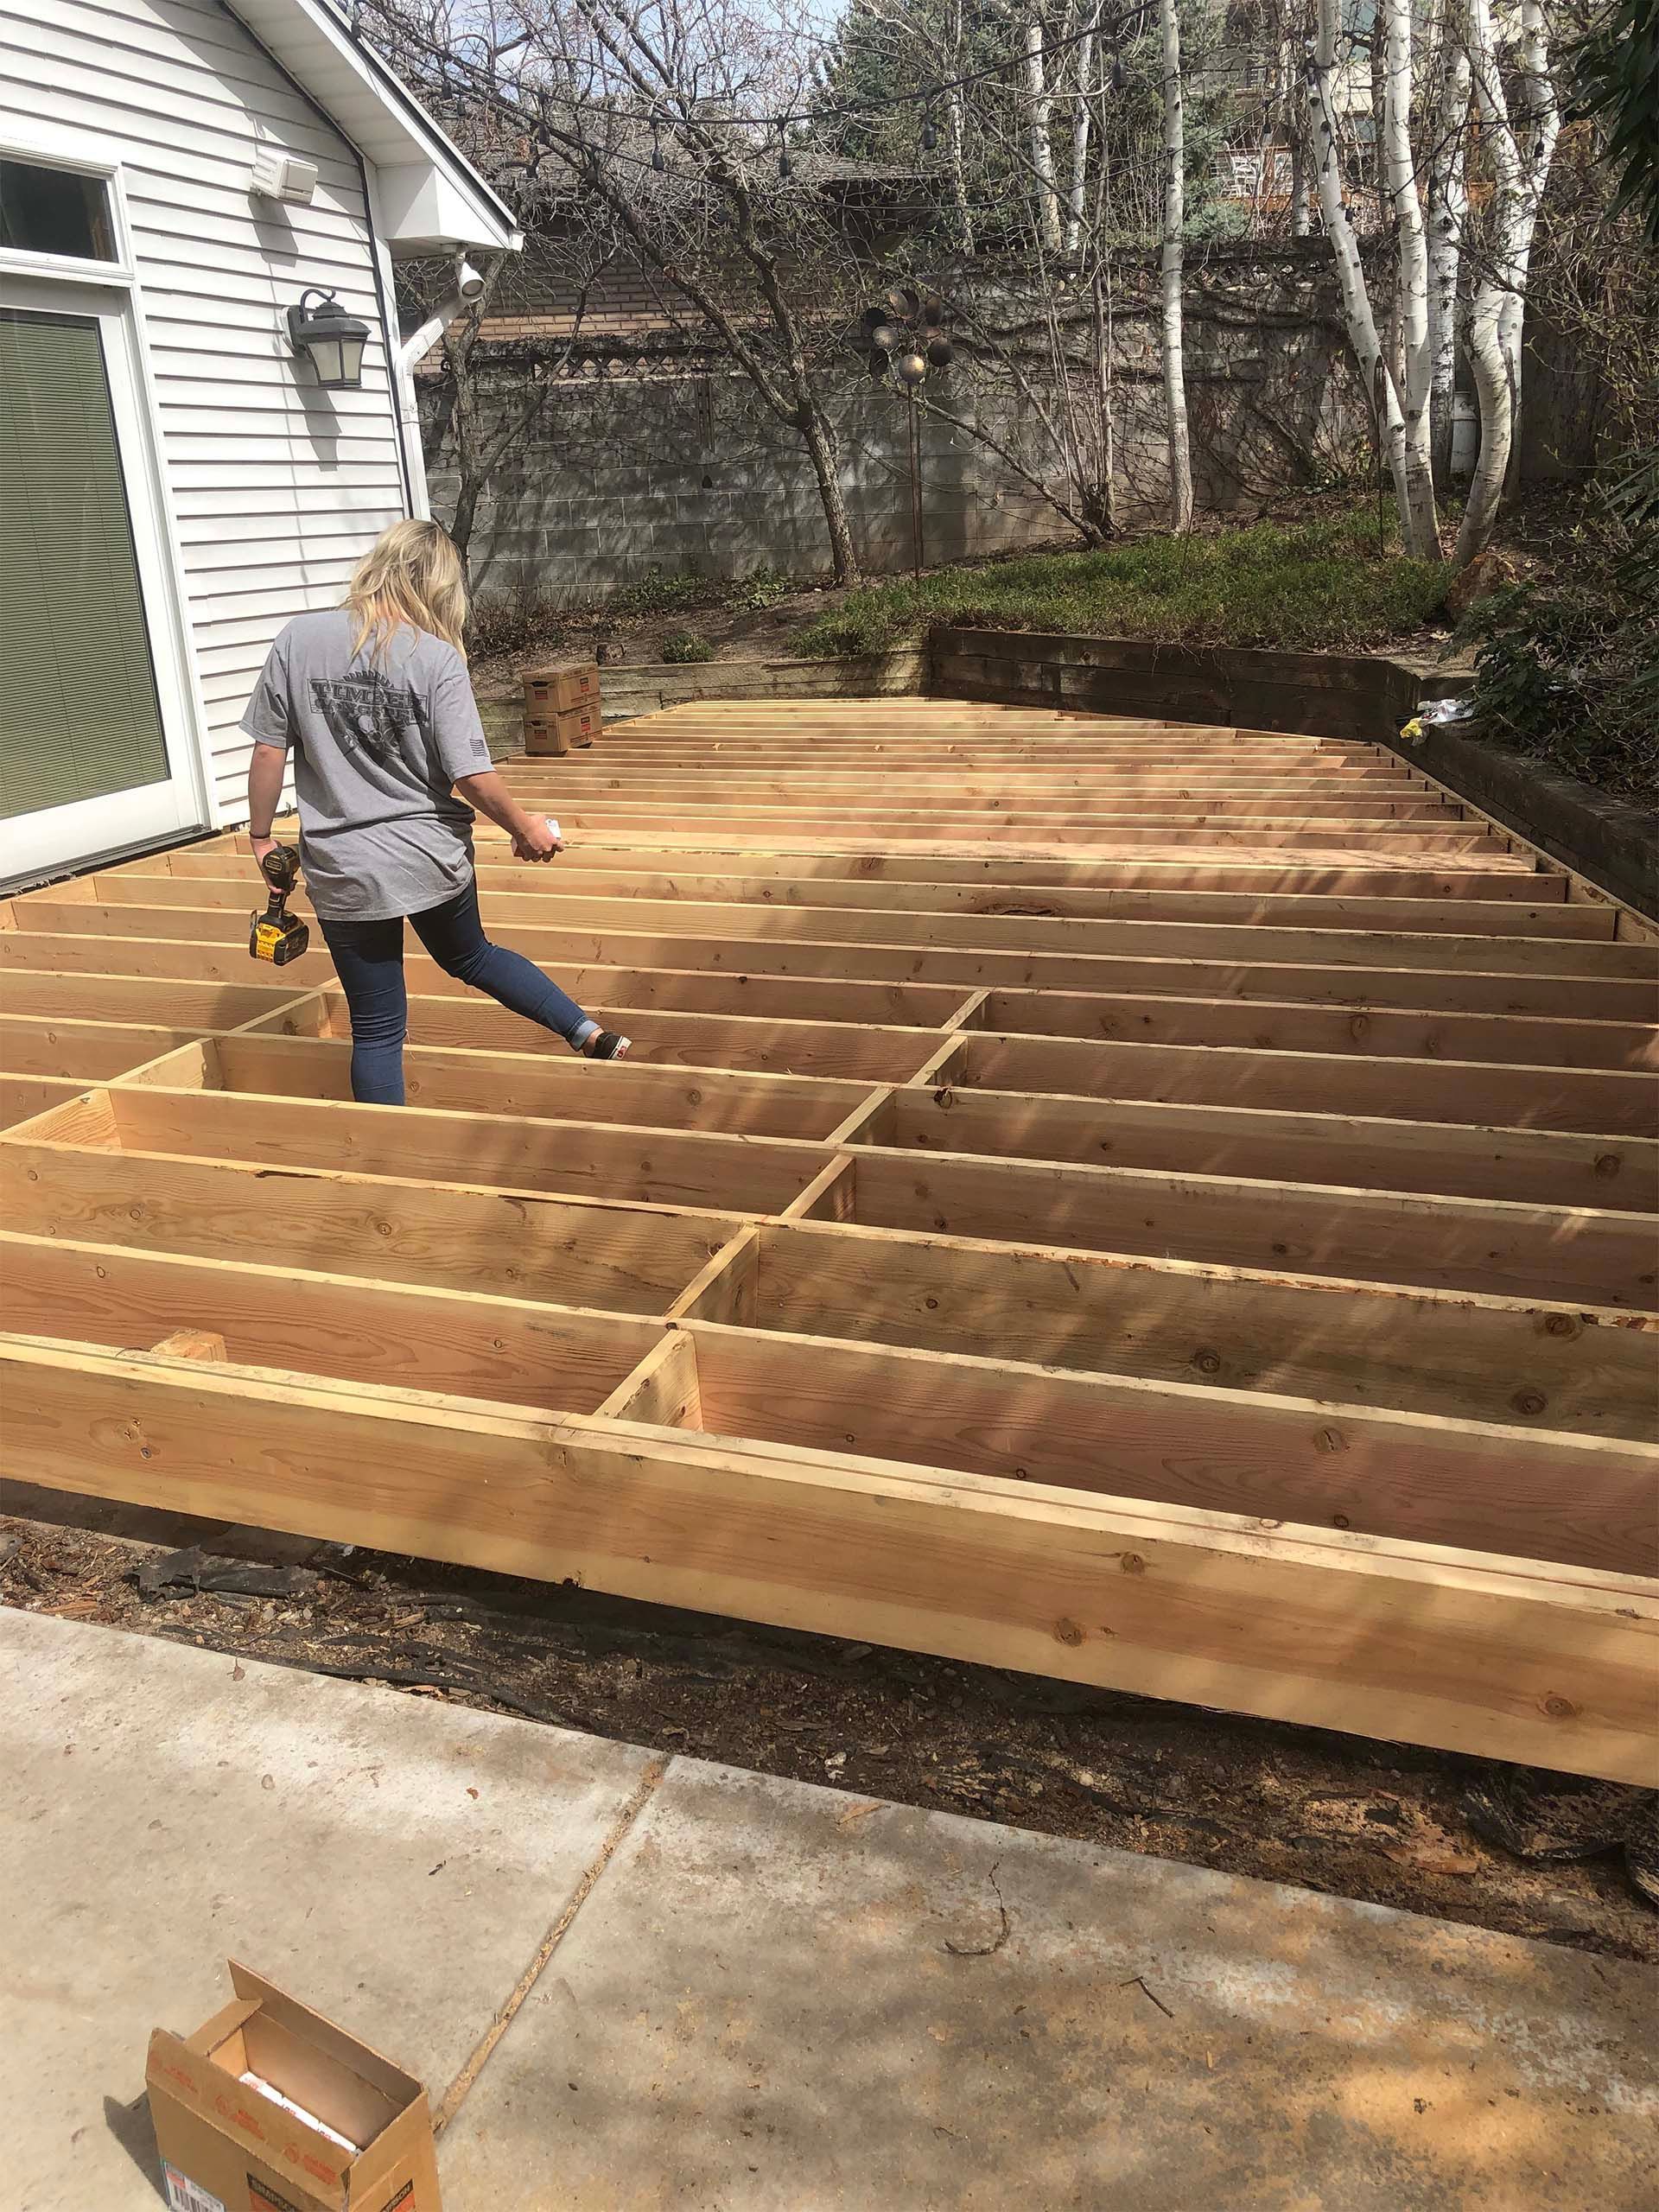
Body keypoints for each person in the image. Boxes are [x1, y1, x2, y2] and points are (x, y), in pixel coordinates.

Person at [239, 518, 628, 1104]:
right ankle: (585, 1031)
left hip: (345, 867)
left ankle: (388, 1166)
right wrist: (526, 828)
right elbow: (469, 774)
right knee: (471, 955)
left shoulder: (298, 640)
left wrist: (262, 837)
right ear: (441, 587)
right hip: (428, 857)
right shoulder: (436, 658)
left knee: (376, 1031)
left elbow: (269, 748)